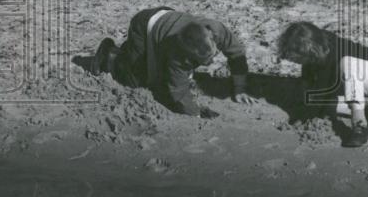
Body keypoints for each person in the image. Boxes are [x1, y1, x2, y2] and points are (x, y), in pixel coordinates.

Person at [92, 6, 258, 117]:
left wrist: (240, 88)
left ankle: (132, 51)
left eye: (212, 55)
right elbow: (178, 90)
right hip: (144, 25)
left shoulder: (217, 29)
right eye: (203, 60)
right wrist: (197, 113)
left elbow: (237, 55)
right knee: (138, 80)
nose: (210, 62)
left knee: (155, 69)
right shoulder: (178, 55)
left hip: (167, 18)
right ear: (187, 53)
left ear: (212, 38)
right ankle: (110, 54)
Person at [277, 21, 368, 147]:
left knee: (347, 63)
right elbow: (312, 89)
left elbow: (322, 85)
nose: (297, 62)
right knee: (319, 101)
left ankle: (360, 124)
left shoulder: (334, 49)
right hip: (357, 86)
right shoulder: (316, 53)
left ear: (310, 51)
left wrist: (306, 116)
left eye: (298, 59)